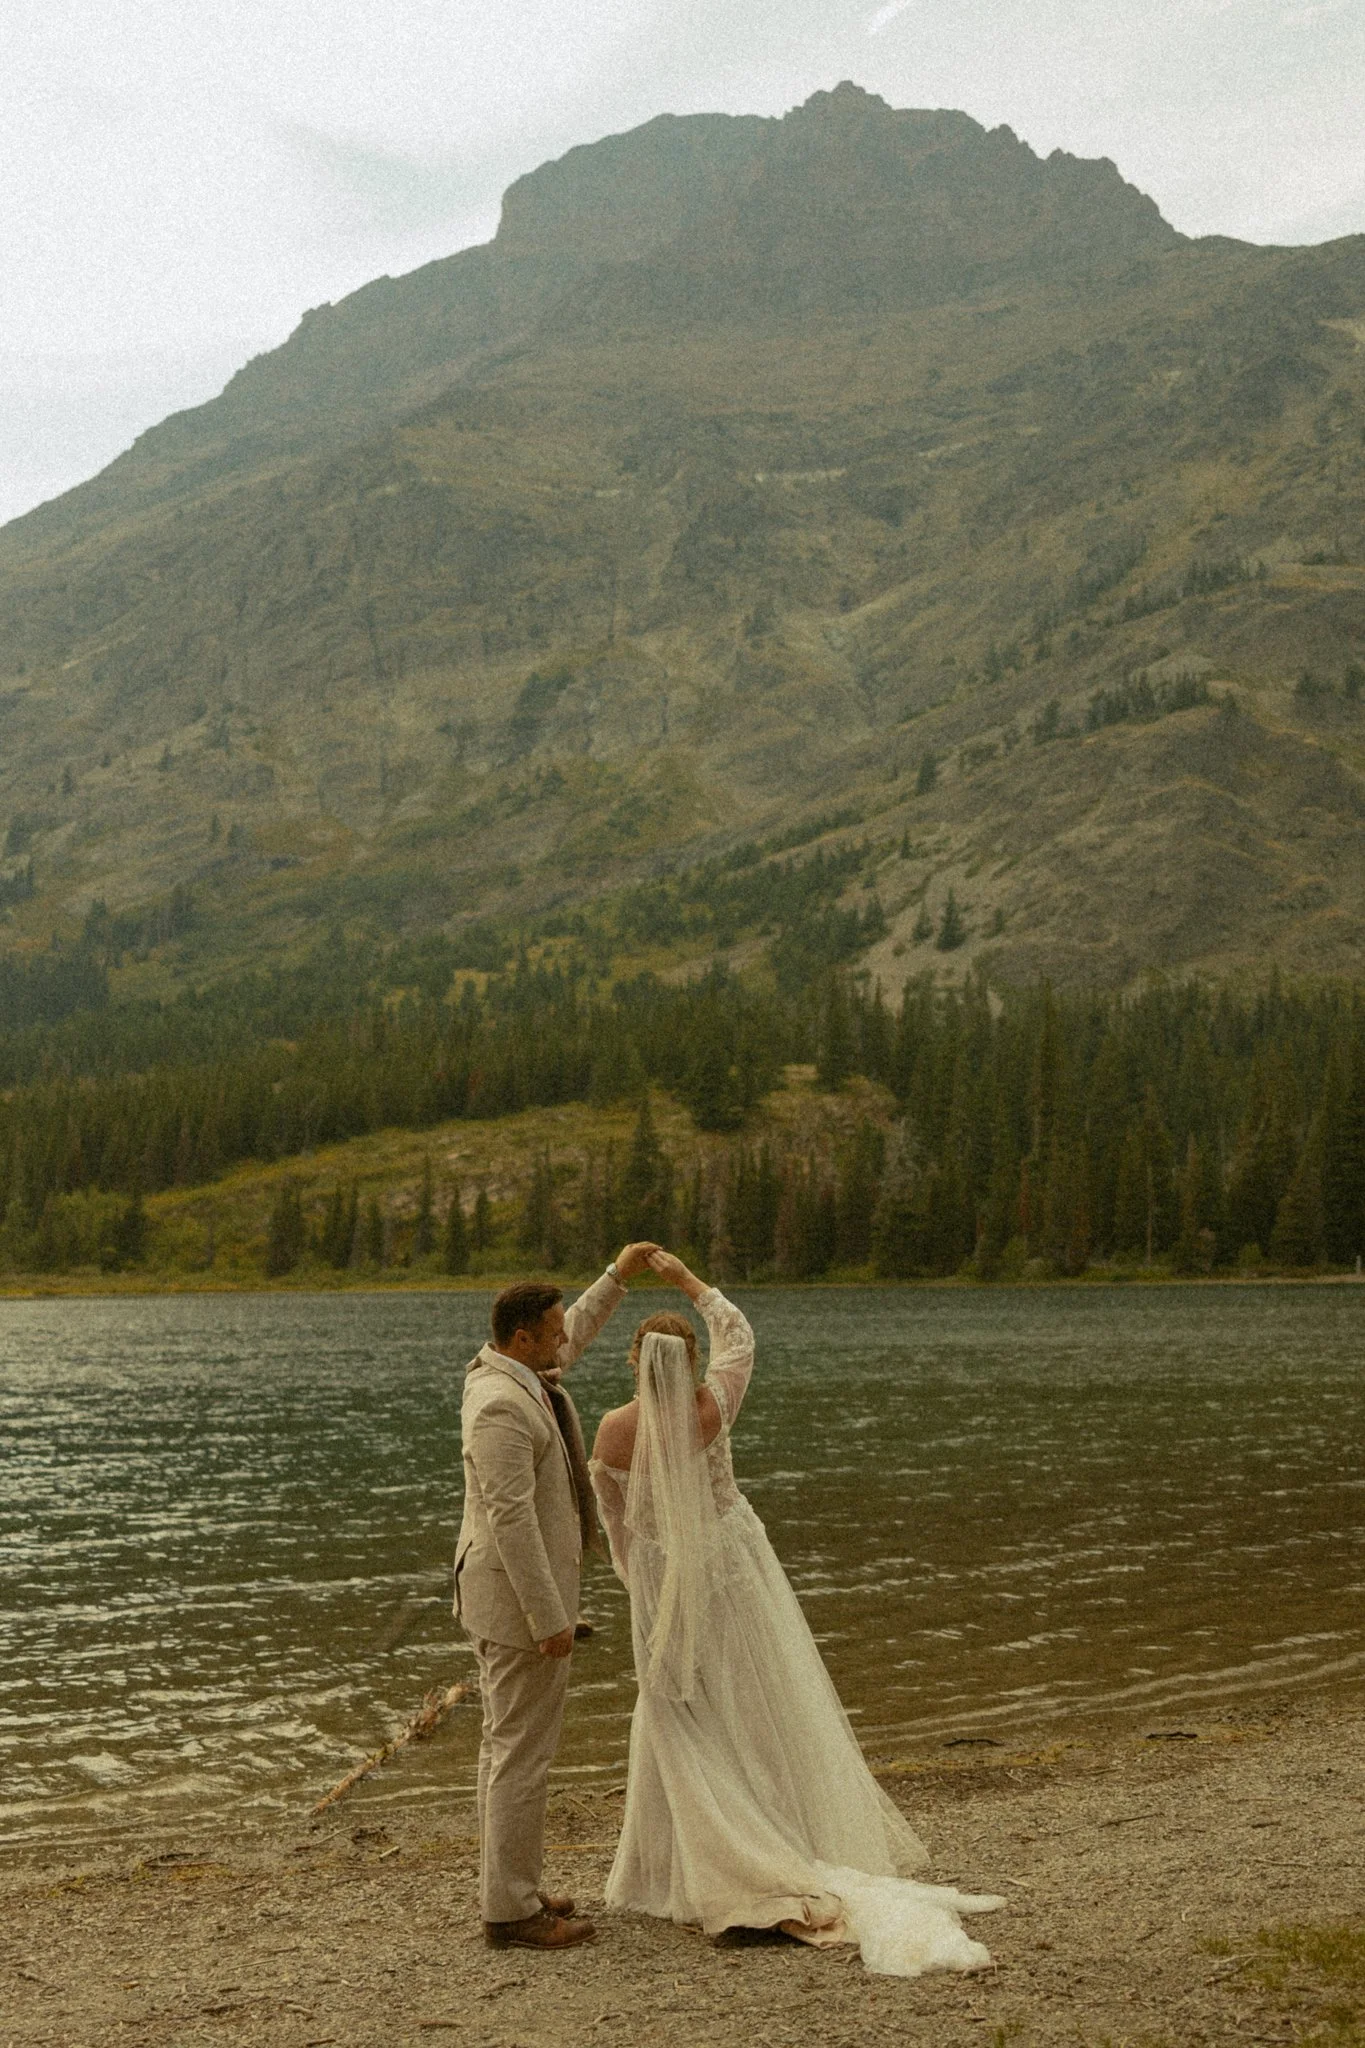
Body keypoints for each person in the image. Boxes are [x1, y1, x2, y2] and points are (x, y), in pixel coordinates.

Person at [589, 1250, 1004, 1978]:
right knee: (757, 1695)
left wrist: (639, 1584)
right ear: (686, 1362)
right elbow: (738, 1334)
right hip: (731, 1564)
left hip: (662, 1579)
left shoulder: (612, 1432)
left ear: (632, 1361)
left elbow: (615, 1527)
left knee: (679, 1709)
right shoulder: (713, 1405)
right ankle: (781, 1821)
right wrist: (687, 1279)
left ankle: (691, 1857)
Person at [455, 1244, 657, 1951]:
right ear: (520, 1338)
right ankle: (511, 1915)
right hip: (516, 1608)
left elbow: (579, 1327)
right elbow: (508, 1519)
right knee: (520, 1758)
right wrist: (550, 1618)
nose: (564, 1338)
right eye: (551, 1330)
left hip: (511, 1602)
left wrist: (618, 1276)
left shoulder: (523, 1373)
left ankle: (509, 1888)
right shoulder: (497, 1406)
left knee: (504, 1750)